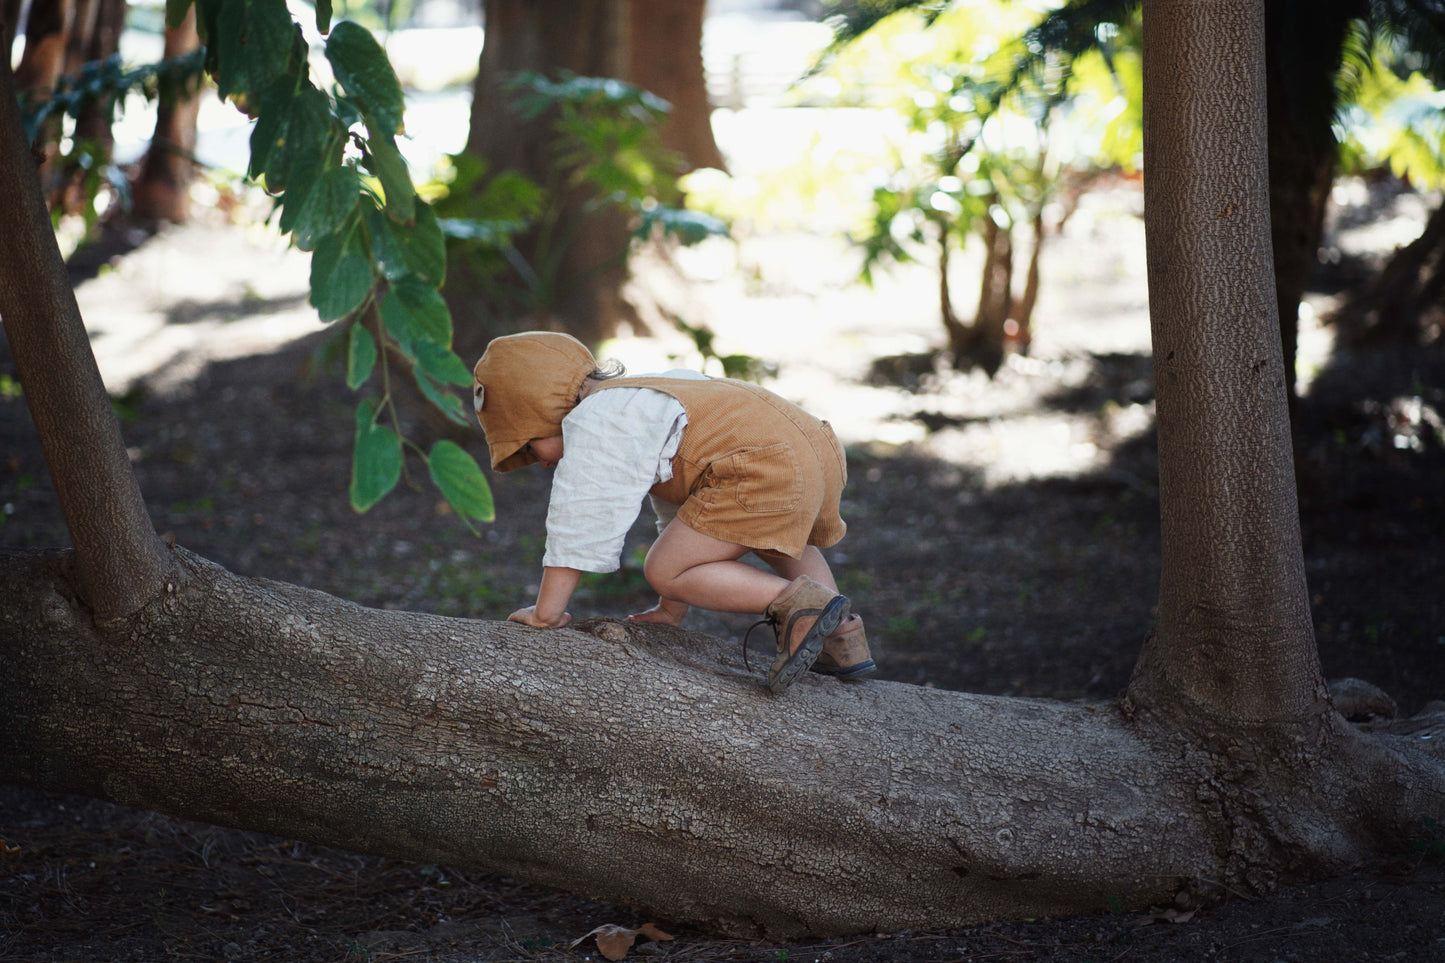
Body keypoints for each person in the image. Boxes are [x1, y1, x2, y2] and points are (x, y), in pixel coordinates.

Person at [471, 331, 876, 693]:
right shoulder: (652, 394)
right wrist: (670, 610)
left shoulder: (595, 419)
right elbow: (688, 515)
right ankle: (842, 638)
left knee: (665, 568)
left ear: (546, 406)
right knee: (776, 540)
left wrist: (546, 614)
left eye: (529, 445)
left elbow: (580, 519)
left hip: (761, 464)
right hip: (811, 449)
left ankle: (800, 605)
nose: (538, 462)